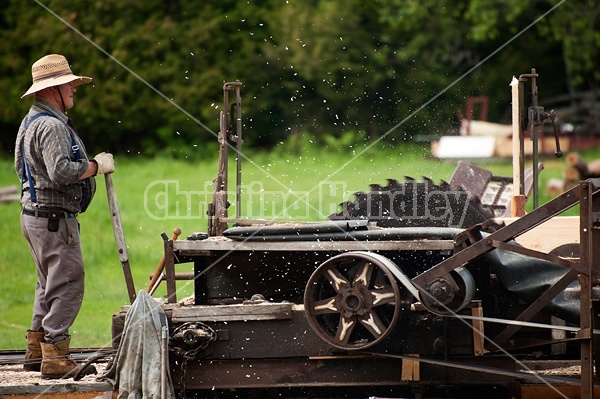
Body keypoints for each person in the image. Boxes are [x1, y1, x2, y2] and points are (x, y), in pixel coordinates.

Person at [14, 54, 114, 379]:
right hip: (54, 220)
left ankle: (35, 349)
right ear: (54, 88)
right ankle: (56, 357)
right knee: (68, 283)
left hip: (35, 216)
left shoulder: (30, 121)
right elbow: (60, 171)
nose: (74, 89)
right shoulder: (52, 125)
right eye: (69, 84)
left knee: (47, 283)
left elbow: (23, 169)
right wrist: (96, 167)